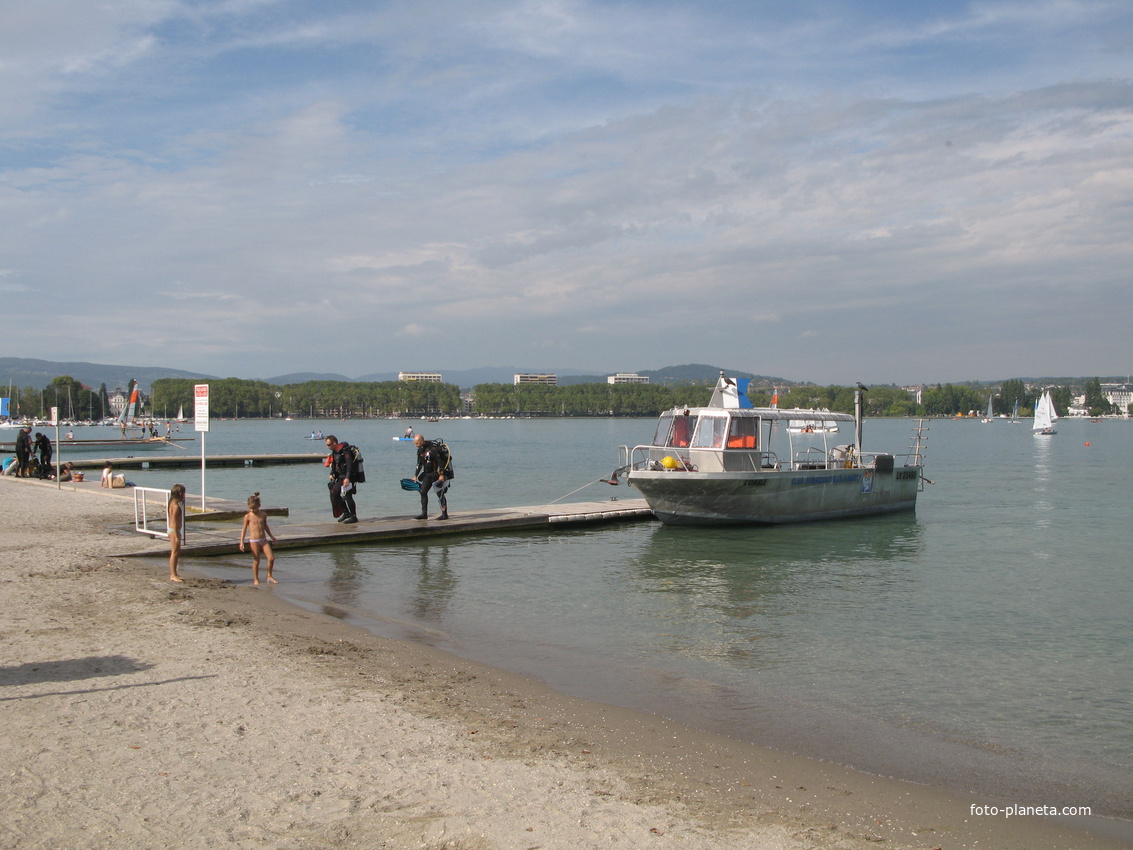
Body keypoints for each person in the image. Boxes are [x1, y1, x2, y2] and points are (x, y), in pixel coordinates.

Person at [239, 492, 278, 586]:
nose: (252, 510)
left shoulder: (263, 514)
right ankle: (256, 579)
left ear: (259, 505)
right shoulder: (248, 516)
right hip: (254, 541)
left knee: (271, 558)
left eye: (254, 508)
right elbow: (244, 530)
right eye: (250, 508)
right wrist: (241, 542)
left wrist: (272, 537)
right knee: (257, 560)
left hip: (263, 539)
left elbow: (265, 526)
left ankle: (269, 575)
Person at [412, 434, 450, 520]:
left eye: (417, 443)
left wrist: (441, 475)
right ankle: (424, 514)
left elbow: (440, 462)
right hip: (427, 474)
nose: (416, 445)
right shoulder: (420, 450)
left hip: (436, 474)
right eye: (415, 443)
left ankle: (444, 514)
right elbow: (419, 464)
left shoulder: (432, 449)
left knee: (440, 494)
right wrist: (415, 475)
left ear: (422, 441)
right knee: (423, 492)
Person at [324, 435, 359, 524]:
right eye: (327, 445)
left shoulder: (345, 451)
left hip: (349, 476)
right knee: (335, 493)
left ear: (334, 443)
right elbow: (335, 464)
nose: (328, 447)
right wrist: (332, 473)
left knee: (348, 496)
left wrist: (347, 478)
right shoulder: (335, 452)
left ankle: (353, 516)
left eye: (329, 445)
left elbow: (350, 465)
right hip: (341, 476)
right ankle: (346, 512)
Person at [167, 483, 186, 582]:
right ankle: (173, 575)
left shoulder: (172, 502)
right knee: (174, 553)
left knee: (177, 552)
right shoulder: (176, 506)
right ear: (180, 493)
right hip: (174, 531)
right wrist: (177, 535)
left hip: (174, 530)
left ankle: (175, 573)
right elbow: (174, 520)